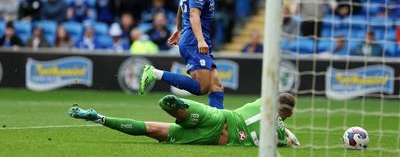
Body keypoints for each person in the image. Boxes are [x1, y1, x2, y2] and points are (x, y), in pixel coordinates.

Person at [139, 0, 225, 109]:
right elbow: (193, 14)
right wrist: (200, 39)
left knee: (216, 85)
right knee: (202, 87)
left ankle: (217, 126)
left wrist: (178, 29)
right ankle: (155, 73)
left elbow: (181, 3)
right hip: (194, 40)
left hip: (191, 36)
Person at [68, 93, 300, 147]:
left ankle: (179, 108)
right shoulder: (277, 135)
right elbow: (288, 141)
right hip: (216, 138)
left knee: (169, 116)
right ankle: (99, 118)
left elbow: (276, 105)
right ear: (288, 114)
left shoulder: (262, 101)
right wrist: (290, 135)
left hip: (220, 117)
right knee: (151, 129)